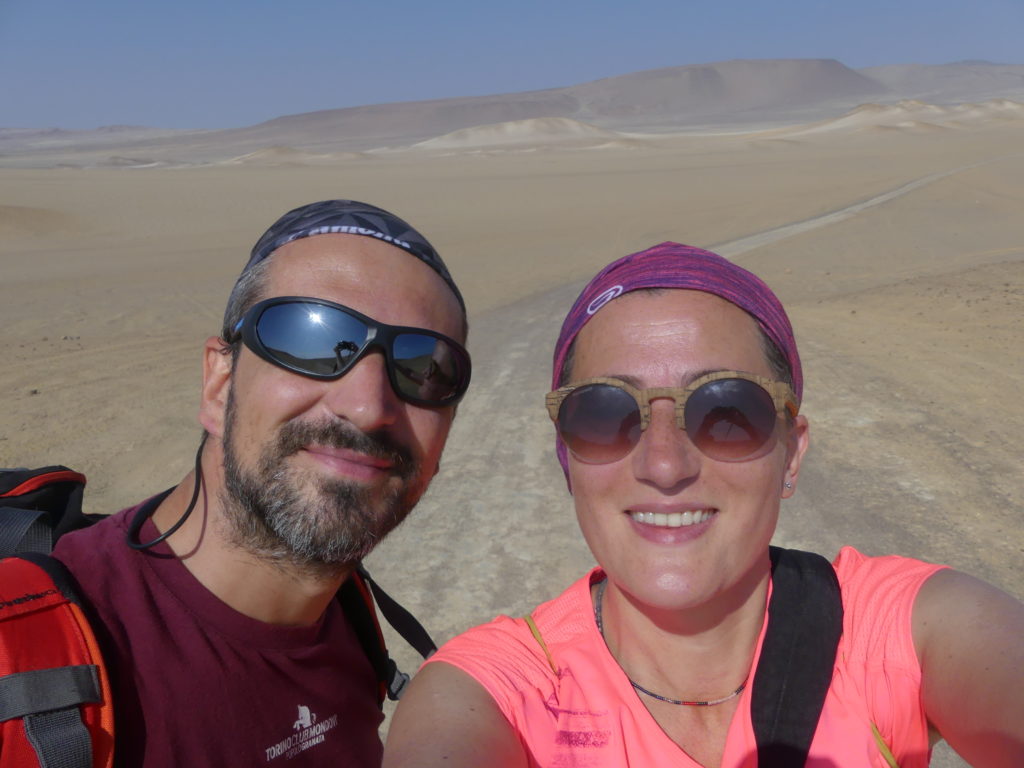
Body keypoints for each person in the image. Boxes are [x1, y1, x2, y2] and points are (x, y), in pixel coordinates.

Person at [384, 242, 1024, 768]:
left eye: (727, 413)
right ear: (567, 458)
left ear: (791, 454)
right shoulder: (493, 696)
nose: (665, 465)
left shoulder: (905, 630)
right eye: (605, 414)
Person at [47, 200, 472, 766]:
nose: (368, 406)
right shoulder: (34, 670)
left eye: (425, 368)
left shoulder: (351, 620)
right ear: (219, 383)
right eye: (311, 340)